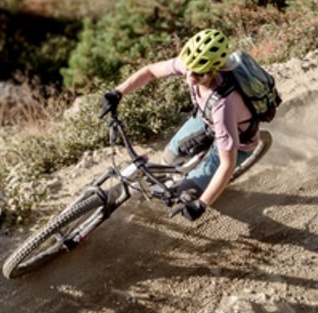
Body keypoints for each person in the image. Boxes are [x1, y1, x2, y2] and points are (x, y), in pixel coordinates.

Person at [101, 28, 255, 223]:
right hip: (207, 120)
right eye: (188, 69)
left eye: (198, 74)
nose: (190, 76)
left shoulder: (223, 105)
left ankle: (194, 187)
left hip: (238, 140)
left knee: (185, 193)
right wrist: (117, 93)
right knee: (169, 156)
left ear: (214, 70)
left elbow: (227, 164)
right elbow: (150, 71)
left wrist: (202, 204)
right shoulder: (193, 65)